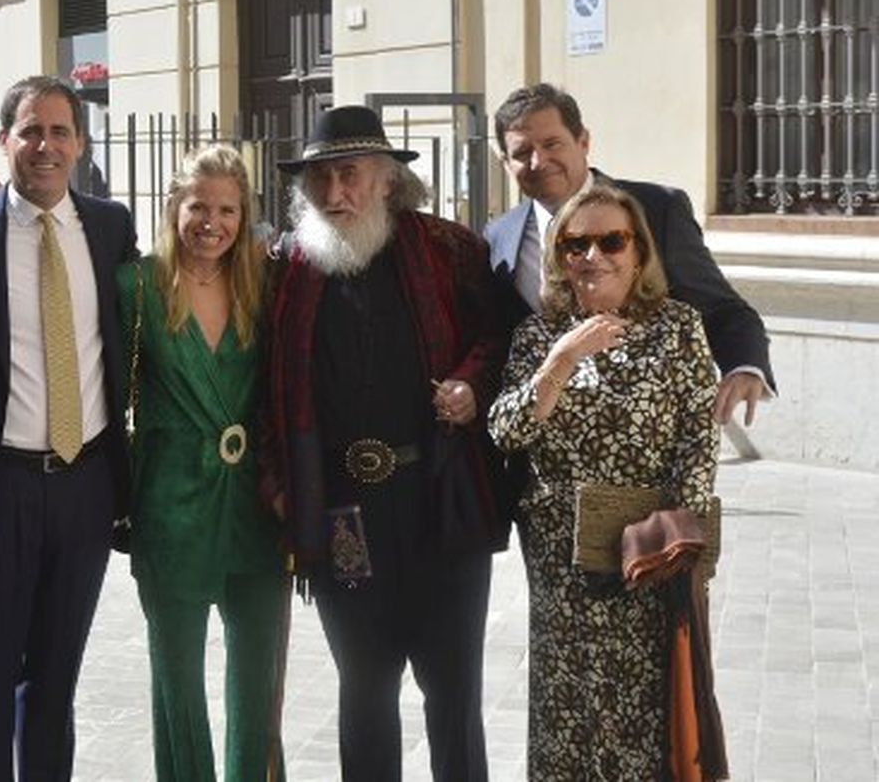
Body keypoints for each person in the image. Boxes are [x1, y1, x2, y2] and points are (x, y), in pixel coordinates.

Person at [260, 106, 507, 781]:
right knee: (365, 691)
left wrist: (471, 384)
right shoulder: (287, 269)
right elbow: (261, 383)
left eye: (349, 175)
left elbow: (499, 339)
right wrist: (277, 483)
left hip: (440, 502)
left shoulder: (451, 250)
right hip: (342, 514)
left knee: (453, 694)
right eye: (318, 180)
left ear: (389, 180)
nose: (333, 193)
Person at [0, 75, 137, 781]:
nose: (45, 146)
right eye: (30, 131)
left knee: (55, 681)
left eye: (59, 132)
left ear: (79, 144)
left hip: (85, 488)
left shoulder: (110, 228)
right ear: (4, 140)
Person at [488, 183, 721, 780]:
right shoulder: (539, 335)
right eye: (576, 244)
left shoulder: (678, 328)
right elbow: (506, 431)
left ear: (638, 253)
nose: (593, 256)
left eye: (611, 241)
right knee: (569, 708)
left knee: (647, 711)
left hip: (649, 557)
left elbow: (698, 435)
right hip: (563, 559)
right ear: (560, 257)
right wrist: (561, 361)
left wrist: (674, 538)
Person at [118, 144, 286, 781]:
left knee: (258, 676)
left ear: (245, 216)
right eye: (198, 207)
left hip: (255, 508)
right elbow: (108, 394)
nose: (211, 223)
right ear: (173, 207)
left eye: (227, 210)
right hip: (171, 505)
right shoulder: (135, 287)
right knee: (178, 681)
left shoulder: (264, 286)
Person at [485, 82, 773, 426]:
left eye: (552, 144)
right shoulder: (499, 237)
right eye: (521, 152)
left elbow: (722, 309)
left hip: (644, 438)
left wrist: (744, 366)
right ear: (505, 163)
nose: (538, 161)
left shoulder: (656, 210)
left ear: (583, 141)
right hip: (539, 442)